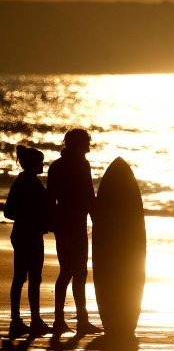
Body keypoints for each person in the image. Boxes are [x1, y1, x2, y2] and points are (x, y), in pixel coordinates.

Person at [47, 129, 101, 335]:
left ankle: (62, 320)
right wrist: (98, 221)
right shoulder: (81, 164)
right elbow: (89, 196)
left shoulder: (56, 166)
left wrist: (51, 222)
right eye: (86, 141)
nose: (89, 144)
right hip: (75, 225)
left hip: (63, 224)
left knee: (68, 271)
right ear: (79, 144)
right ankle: (80, 321)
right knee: (77, 272)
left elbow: (50, 199)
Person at [4, 145, 52, 338]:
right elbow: (9, 212)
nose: (43, 165)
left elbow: (10, 211)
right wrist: (32, 219)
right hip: (27, 236)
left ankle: (25, 320)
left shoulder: (26, 181)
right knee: (27, 279)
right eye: (40, 162)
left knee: (27, 278)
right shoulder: (28, 182)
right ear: (33, 164)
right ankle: (25, 321)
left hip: (25, 235)